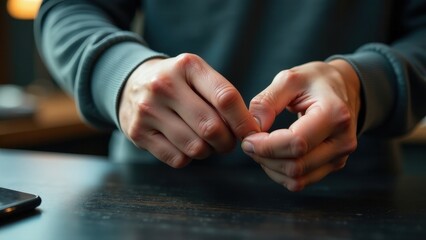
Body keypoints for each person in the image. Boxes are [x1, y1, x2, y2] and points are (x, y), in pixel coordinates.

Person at [35, 0, 426, 191]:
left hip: (357, 199)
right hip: (152, 189)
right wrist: (123, 73)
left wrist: (361, 84)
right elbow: (70, 8)